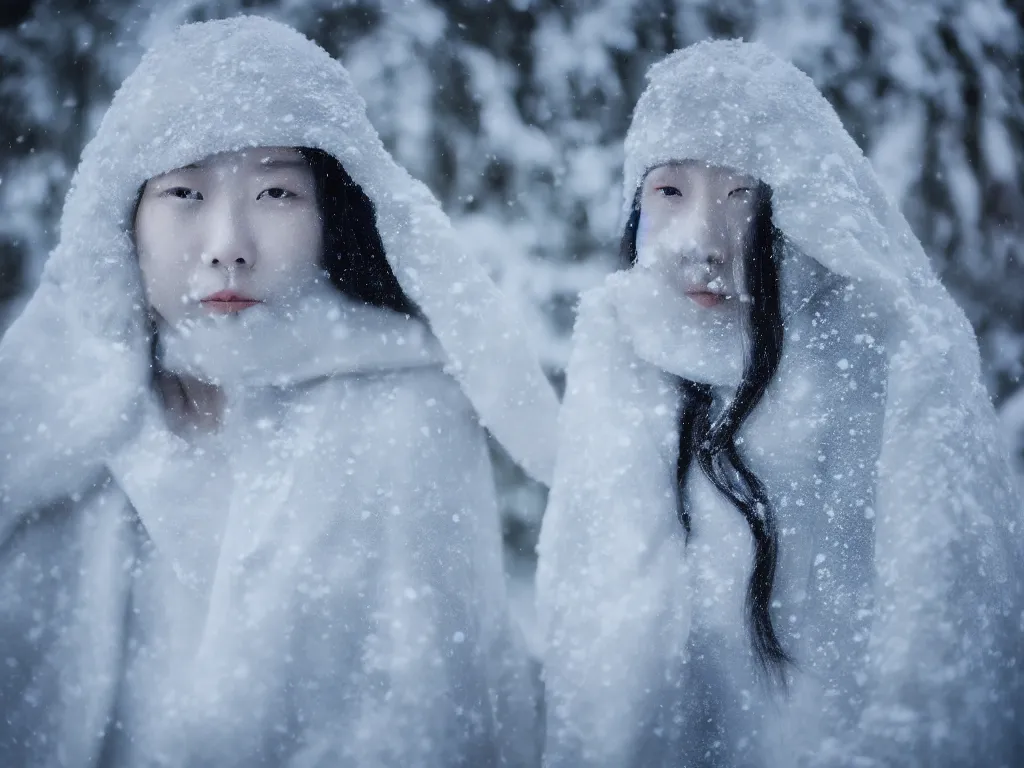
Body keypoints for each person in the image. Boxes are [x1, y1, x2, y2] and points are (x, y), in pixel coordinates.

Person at [0, 16, 558, 767]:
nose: (228, 241)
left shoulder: (407, 412)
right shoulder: (55, 427)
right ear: (123, 217)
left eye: (274, 192)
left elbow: (448, 705)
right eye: (185, 191)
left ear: (333, 211)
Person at [536, 40, 1023, 768]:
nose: (702, 241)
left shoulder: (880, 361)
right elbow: (592, 628)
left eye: (743, 195)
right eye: (670, 191)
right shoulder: (621, 348)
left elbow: (938, 636)